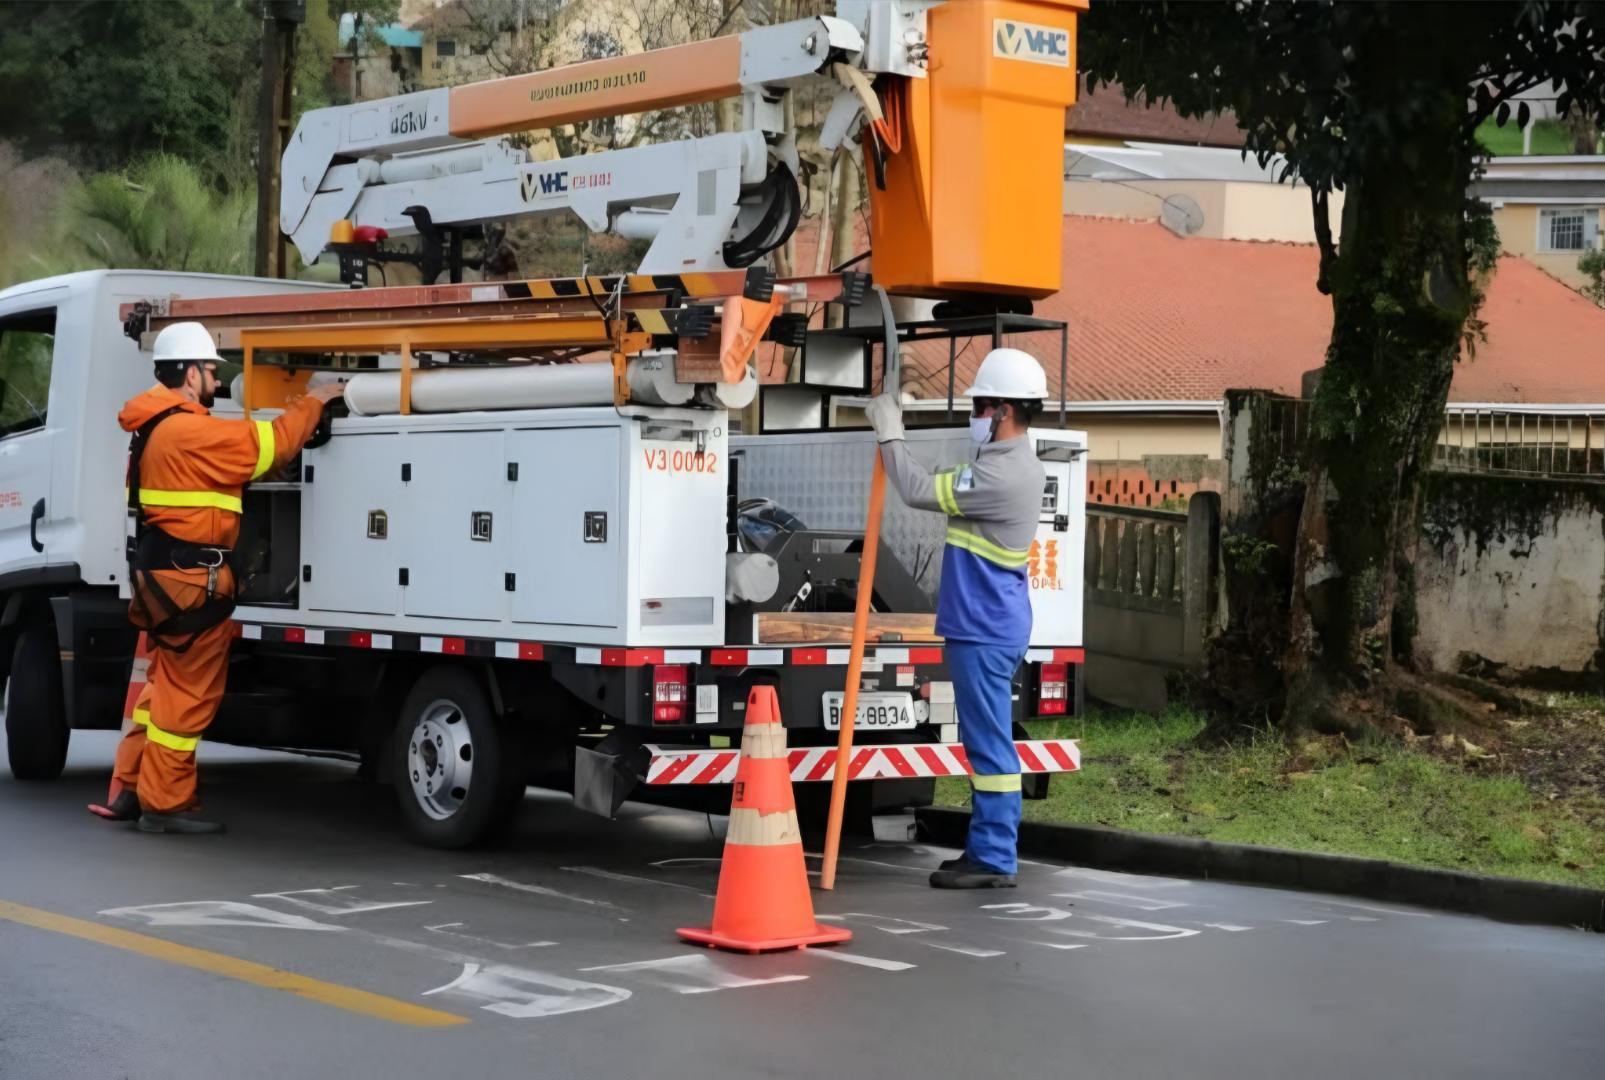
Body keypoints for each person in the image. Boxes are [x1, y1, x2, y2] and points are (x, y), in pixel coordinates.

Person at [90, 322, 344, 834]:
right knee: (189, 695)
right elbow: (273, 442)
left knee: (163, 685)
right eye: (211, 370)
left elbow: (210, 479)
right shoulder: (189, 430)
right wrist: (315, 400)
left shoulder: (155, 428)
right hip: (191, 581)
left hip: (165, 577)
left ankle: (133, 786)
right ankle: (165, 804)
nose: (217, 379)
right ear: (190, 374)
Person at [864, 348, 1048, 888]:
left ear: (1004, 410)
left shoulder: (1004, 475)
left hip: (984, 631)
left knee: (989, 745)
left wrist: (890, 434)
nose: (974, 414)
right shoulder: (1005, 463)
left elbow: (919, 490)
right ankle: (987, 851)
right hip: (986, 625)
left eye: (980, 406)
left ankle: (993, 857)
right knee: (986, 741)